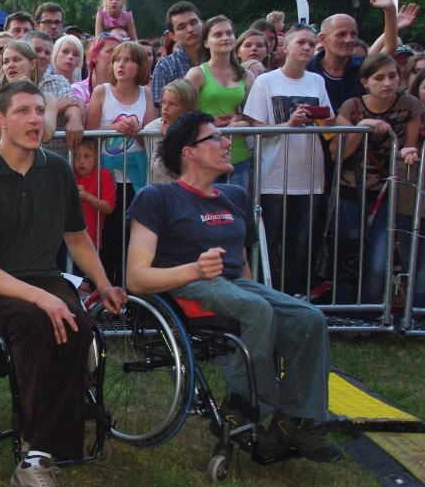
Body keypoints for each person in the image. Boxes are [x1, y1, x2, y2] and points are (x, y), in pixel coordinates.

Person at [0, 80, 127, 487]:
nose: (35, 120)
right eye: (23, 111)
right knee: (37, 323)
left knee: (77, 326)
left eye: (40, 111)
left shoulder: (57, 169)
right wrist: (43, 300)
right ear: (0, 120)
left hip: (41, 273)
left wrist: (103, 283)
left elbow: (77, 238)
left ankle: (51, 441)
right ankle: (34, 455)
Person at [125, 111, 341, 463]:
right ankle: (246, 402)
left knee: (309, 317)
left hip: (234, 284)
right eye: (216, 137)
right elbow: (136, 276)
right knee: (256, 310)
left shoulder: (235, 196)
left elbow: (242, 267)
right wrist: (194, 269)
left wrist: (263, 304)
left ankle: (292, 422)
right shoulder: (157, 198)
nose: (228, 143)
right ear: (188, 152)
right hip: (185, 284)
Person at [242, 24, 333, 296]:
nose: (306, 47)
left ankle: (296, 296)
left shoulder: (317, 81)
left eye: (311, 43)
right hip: (273, 176)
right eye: (301, 42)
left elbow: (328, 121)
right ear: (285, 47)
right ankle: (263, 296)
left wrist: (319, 119)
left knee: (301, 241)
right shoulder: (266, 81)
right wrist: (289, 123)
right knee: (268, 241)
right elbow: (256, 129)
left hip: (309, 176)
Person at [330, 54, 423, 305]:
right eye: (379, 78)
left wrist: (407, 152)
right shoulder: (352, 106)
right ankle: (343, 312)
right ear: (365, 82)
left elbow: (409, 147)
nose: (387, 83)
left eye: (392, 76)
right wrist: (362, 126)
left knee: (378, 262)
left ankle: (370, 314)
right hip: (351, 190)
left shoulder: (411, 105)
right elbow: (339, 153)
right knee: (346, 257)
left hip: (388, 194)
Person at [84, 40, 156, 283]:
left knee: (131, 236)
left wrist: (140, 130)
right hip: (107, 179)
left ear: (140, 66)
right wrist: (115, 127)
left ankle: (130, 289)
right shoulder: (102, 91)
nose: (121, 65)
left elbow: (150, 134)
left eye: (128, 60)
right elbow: (90, 131)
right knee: (108, 237)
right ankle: (103, 289)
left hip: (135, 177)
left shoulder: (146, 94)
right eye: (117, 60)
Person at [184, 16, 254, 189]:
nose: (225, 38)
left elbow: (253, 116)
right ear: (206, 42)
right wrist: (207, 121)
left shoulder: (247, 76)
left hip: (236, 154)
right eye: (218, 34)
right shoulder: (197, 74)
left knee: (235, 211)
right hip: (203, 155)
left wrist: (240, 120)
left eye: (229, 33)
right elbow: (182, 115)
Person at [142, 78, 198, 185]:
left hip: (189, 189)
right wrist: (168, 139)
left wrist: (172, 137)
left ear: (187, 107)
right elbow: (158, 167)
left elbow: (193, 166)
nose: (165, 108)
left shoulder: (198, 129)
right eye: (163, 102)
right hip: (160, 189)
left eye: (172, 104)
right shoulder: (152, 128)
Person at [151, 1, 204, 106]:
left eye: (193, 22)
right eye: (181, 27)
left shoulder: (220, 60)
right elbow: (159, 111)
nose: (190, 29)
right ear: (173, 36)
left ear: (202, 24)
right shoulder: (165, 67)